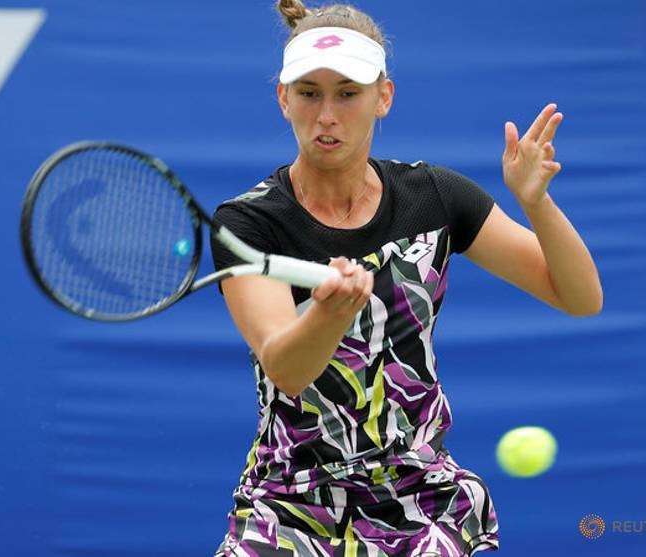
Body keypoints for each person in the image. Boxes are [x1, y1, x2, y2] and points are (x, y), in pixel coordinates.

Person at [209, 1, 603, 556]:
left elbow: (581, 297)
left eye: (348, 93)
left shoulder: (435, 197)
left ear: (383, 97)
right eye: (309, 93)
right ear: (283, 98)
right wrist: (328, 315)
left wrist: (537, 205)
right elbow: (286, 368)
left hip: (422, 504)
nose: (327, 114)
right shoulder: (247, 224)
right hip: (289, 507)